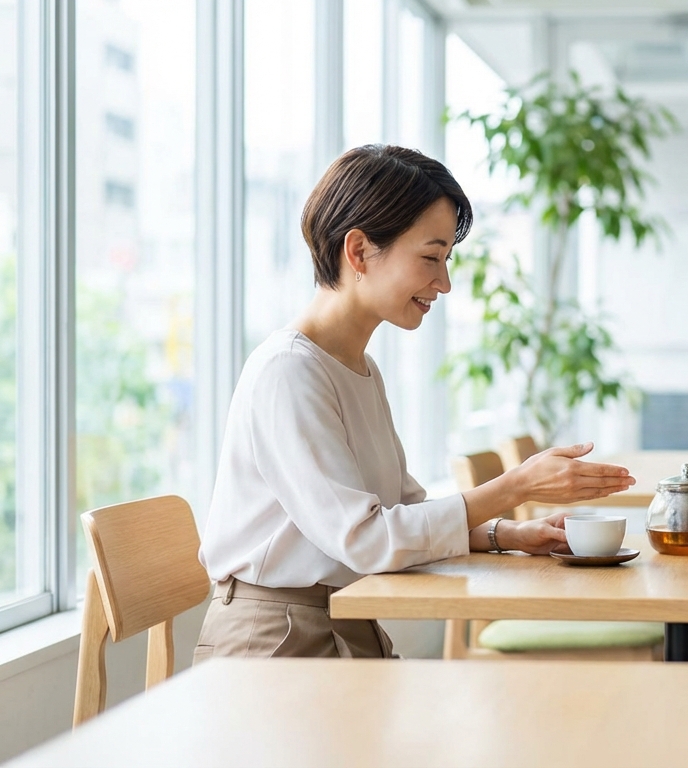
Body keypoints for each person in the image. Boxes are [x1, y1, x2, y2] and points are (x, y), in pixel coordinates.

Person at [196, 145, 634, 661]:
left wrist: (507, 533)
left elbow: (402, 514)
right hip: (272, 641)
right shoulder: (289, 372)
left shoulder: (358, 367)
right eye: (430, 257)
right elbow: (365, 540)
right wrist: (515, 485)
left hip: (341, 621)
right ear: (358, 251)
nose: (444, 283)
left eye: (446, 260)